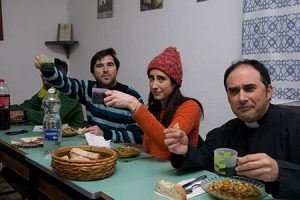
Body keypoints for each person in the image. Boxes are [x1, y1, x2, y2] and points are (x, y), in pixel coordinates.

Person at [164, 59, 300, 199]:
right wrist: (185, 151)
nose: (241, 98)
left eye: (249, 88)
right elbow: (205, 159)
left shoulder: (295, 126)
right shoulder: (224, 132)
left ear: (268, 91)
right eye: (234, 91)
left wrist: (279, 172)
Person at [104, 47, 203, 160]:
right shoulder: (154, 109)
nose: (154, 85)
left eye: (161, 79)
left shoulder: (191, 107)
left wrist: (134, 105)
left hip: (180, 174)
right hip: (152, 172)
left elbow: (165, 143)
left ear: (175, 83)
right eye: (151, 78)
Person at [34, 48, 144, 144]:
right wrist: (47, 67)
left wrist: (105, 134)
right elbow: (64, 83)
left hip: (124, 155)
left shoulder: (130, 95)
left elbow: (138, 136)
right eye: (99, 66)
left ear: (117, 69)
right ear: (92, 72)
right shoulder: (92, 91)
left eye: (110, 65)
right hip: (96, 152)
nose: (105, 70)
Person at [10, 58, 84, 128]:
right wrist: (5, 109)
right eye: (43, 72)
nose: (42, 76)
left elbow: (53, 117)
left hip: (74, 138)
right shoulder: (47, 89)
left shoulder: (70, 93)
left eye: (47, 73)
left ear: (59, 76)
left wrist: (24, 114)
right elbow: (27, 106)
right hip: (50, 133)